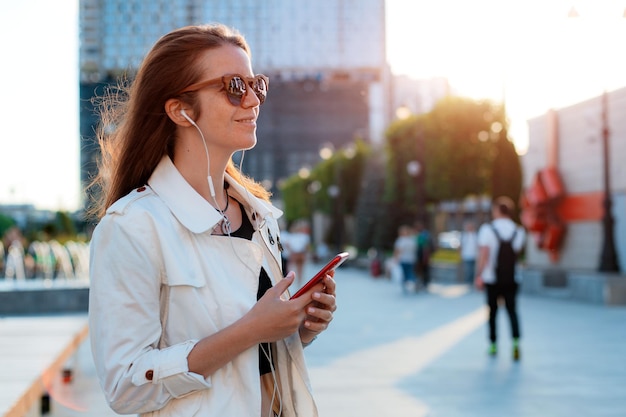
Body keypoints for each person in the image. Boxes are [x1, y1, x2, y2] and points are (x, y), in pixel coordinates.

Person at [87, 24, 337, 417]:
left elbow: (252, 364)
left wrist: (297, 329)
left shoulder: (259, 214)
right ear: (180, 110)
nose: (253, 99)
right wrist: (250, 330)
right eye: (234, 86)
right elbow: (125, 387)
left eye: (257, 84)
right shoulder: (132, 227)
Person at [475, 196, 526, 360]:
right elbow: (516, 254)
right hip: (512, 278)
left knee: (492, 313)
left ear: (497, 211)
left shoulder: (487, 229)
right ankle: (516, 344)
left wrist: (479, 275)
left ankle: (493, 345)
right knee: (512, 312)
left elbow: (484, 254)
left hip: (492, 278)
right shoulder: (519, 231)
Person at [285, 220, 311, 288]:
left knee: (292, 267)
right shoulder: (304, 236)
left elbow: (288, 244)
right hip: (300, 253)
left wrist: (291, 251)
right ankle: (298, 282)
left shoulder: (292, 236)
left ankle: (290, 281)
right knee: (299, 268)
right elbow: (307, 246)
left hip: (295, 253)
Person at [393, 224, 417, 293]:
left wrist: (396, 259)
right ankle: (411, 283)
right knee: (409, 273)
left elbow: (398, 250)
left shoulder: (401, 240)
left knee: (403, 274)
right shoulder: (412, 240)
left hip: (403, 259)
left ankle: (406, 287)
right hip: (411, 259)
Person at [415, 221, 435, 290]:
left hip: (425, 255)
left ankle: (425, 283)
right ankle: (421, 282)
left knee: (425, 269)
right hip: (418, 255)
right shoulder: (417, 234)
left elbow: (429, 246)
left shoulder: (425, 234)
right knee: (419, 270)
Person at [459, 221, 478, 285]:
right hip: (466, 255)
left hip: (475, 255)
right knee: (468, 270)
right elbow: (461, 246)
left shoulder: (475, 235)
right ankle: (468, 282)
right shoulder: (464, 235)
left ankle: (472, 282)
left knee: (473, 270)